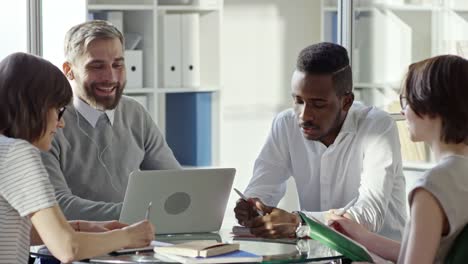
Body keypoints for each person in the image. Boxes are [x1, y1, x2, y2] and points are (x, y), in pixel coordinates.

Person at [234, 42, 406, 240]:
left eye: (318, 104)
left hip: (379, 257)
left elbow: (370, 214)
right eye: (298, 101)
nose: (304, 115)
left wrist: (298, 222)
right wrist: (252, 207)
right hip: (316, 253)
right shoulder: (286, 124)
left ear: (346, 102)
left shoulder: (377, 127)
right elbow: (263, 188)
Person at [0, 52, 154, 263]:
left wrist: (81, 227)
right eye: (58, 110)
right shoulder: (17, 154)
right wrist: (128, 236)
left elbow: (10, 231)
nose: (61, 123)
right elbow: (67, 248)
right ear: (36, 107)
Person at [328, 55, 468, 263]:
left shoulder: (431, 186)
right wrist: (360, 235)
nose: (403, 111)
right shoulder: (459, 174)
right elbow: (428, 250)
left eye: (406, 101)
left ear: (429, 105)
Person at [41, 20, 181, 221]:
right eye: (97, 66)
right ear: (69, 70)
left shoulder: (134, 113)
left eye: (118, 64)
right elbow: (58, 205)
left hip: (133, 240)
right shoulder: (49, 123)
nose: (111, 77)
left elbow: (174, 183)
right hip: (80, 244)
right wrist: (136, 213)